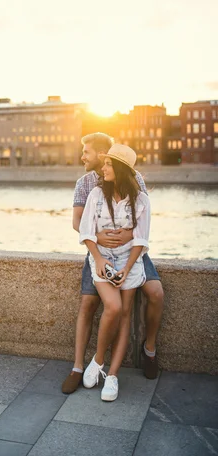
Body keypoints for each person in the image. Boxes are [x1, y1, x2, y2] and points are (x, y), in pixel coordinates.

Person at [61, 133, 164, 395]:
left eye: (87, 152)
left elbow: (141, 224)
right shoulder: (86, 185)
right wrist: (98, 240)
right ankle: (78, 367)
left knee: (154, 292)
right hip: (99, 249)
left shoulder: (134, 179)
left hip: (131, 251)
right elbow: (78, 224)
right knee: (88, 303)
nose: (82, 156)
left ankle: (148, 350)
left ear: (105, 155)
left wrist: (128, 235)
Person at [79, 143, 150, 401]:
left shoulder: (141, 200)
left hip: (130, 262)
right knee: (114, 307)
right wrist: (97, 259)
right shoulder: (97, 194)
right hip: (102, 261)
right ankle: (98, 361)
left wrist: (128, 268)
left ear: (120, 169)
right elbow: (86, 231)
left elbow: (141, 239)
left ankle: (113, 375)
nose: (104, 168)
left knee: (125, 316)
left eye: (109, 164)